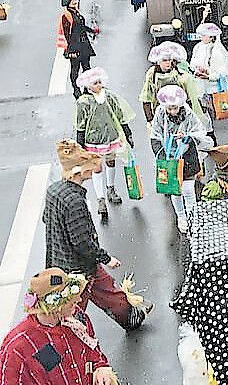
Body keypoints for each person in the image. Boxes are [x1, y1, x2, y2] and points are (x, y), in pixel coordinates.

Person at [44, 140, 154, 330]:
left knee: (107, 289)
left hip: (60, 261)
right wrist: (106, 258)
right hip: (78, 268)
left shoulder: (53, 191)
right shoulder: (75, 201)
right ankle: (69, 339)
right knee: (74, 310)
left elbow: (47, 221)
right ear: (81, 172)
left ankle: (131, 316)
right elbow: (81, 241)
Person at [0, 268, 118, 384]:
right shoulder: (17, 348)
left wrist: (101, 366)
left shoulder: (76, 316)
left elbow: (91, 346)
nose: (79, 299)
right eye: (70, 299)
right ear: (54, 308)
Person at [73, 67, 135, 218]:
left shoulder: (109, 97)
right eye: (95, 83)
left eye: (100, 82)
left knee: (111, 162)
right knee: (96, 167)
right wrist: (80, 144)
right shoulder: (83, 102)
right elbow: (80, 124)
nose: (99, 85)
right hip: (93, 140)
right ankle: (100, 199)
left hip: (111, 136)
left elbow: (119, 116)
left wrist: (127, 133)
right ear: (88, 86)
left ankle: (111, 188)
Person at [149, 85, 208, 234]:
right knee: (175, 190)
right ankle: (181, 216)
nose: (172, 112)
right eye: (169, 109)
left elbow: (200, 132)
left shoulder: (189, 114)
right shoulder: (160, 115)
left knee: (188, 189)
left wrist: (187, 137)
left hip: (187, 156)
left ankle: (193, 216)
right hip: (170, 159)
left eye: (175, 108)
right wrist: (161, 155)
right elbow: (155, 136)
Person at [57, 0, 95, 99]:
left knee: (87, 68)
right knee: (75, 69)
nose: (74, 0)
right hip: (75, 46)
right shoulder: (66, 16)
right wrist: (70, 51)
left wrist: (91, 31)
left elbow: (81, 27)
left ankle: (87, 88)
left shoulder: (76, 12)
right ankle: (76, 89)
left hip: (83, 44)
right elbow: (66, 34)